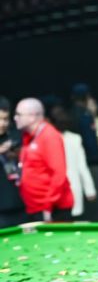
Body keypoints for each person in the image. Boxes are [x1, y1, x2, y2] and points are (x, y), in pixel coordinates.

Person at [14, 98, 73, 222]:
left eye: (19, 114)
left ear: (32, 116)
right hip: (36, 208)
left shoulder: (49, 136)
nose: (15, 118)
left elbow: (59, 174)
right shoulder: (28, 136)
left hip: (52, 210)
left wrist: (47, 207)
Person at [48, 104, 96, 218]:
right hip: (71, 188)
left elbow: (82, 166)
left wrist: (90, 189)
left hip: (56, 191)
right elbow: (82, 167)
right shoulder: (74, 139)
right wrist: (90, 190)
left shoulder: (48, 139)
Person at [0, 96, 25, 228]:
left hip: (20, 205)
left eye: (5, 119)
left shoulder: (14, 138)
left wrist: (17, 155)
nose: (3, 123)